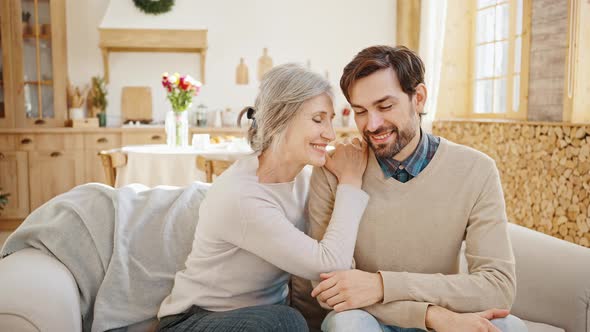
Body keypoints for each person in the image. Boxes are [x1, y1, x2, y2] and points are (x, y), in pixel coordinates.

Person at [293, 45, 528, 332]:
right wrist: (431, 316)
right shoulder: (334, 171)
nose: (372, 124)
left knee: (509, 327)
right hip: (368, 319)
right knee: (348, 324)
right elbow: (331, 290)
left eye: (385, 106)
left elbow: (498, 286)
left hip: (447, 319)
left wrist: (382, 285)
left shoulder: (476, 170)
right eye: (360, 111)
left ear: (418, 98)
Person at [157, 63, 370, 332]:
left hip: (264, 318)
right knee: (285, 320)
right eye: (318, 119)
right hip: (197, 319)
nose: (330, 133)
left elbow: (336, 261)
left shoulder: (307, 180)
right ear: (281, 119)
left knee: (285, 318)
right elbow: (329, 263)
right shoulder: (241, 195)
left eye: (331, 120)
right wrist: (351, 182)